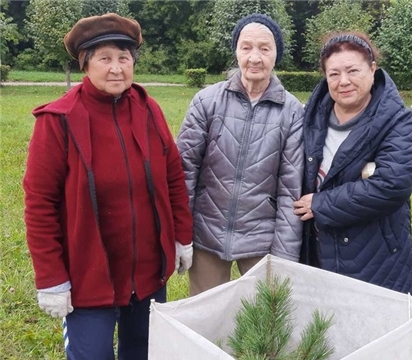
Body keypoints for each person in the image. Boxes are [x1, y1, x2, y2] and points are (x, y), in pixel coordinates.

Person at [23, 13, 193, 360]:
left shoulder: (149, 109)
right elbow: (39, 204)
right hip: (87, 278)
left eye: (124, 58)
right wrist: (51, 278)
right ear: (86, 64)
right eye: (105, 59)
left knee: (141, 353)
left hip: (147, 274)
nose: (116, 68)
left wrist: (181, 237)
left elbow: (174, 176)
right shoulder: (58, 121)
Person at [177, 13, 304, 296]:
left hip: (262, 237)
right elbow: (184, 171)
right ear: (236, 51)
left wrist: (283, 258)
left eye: (264, 48)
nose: (255, 57)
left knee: (263, 326)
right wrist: (180, 235)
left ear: (276, 55)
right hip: (206, 232)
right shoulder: (206, 101)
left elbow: (290, 191)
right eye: (246, 47)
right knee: (207, 322)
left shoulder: (293, 112)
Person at [293, 32, 412, 295]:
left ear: (372, 69)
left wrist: (321, 203)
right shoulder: (310, 116)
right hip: (317, 248)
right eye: (334, 74)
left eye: (353, 70)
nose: (344, 81)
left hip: (374, 256)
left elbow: (392, 185)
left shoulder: (395, 120)